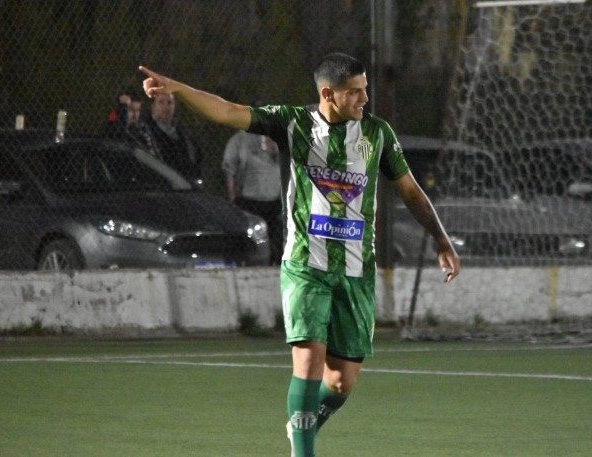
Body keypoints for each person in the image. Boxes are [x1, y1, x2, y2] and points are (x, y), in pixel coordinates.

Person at [139, 52, 460, 457]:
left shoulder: (378, 134)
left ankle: (300, 425)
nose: (365, 99)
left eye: (366, 90)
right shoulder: (292, 122)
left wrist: (441, 239)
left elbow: (411, 190)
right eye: (355, 92)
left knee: (342, 383)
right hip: (306, 265)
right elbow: (227, 112)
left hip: (356, 271)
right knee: (308, 363)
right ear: (328, 93)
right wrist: (179, 89)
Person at [222, 108, 283, 264]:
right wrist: (233, 197)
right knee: (251, 236)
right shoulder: (239, 139)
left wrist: (275, 150)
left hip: (273, 199)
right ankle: (248, 261)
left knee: (275, 236)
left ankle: (275, 262)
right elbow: (229, 168)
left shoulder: (275, 137)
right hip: (249, 198)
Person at [141, 93, 204, 183]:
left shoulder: (182, 132)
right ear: (153, 106)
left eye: (170, 103)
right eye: (161, 102)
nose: (166, 107)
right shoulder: (146, 130)